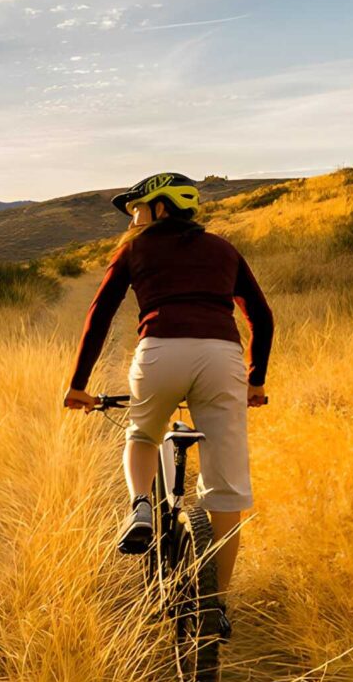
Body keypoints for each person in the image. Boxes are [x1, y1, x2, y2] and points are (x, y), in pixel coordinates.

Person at [63, 170, 272, 609]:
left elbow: (99, 315)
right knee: (226, 488)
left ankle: (141, 503)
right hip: (222, 358)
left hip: (160, 352)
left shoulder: (133, 249)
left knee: (141, 434)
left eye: (138, 208)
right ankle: (214, 603)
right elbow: (261, 316)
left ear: (161, 207)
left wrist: (79, 385)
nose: (133, 218)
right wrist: (255, 379)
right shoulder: (223, 248)